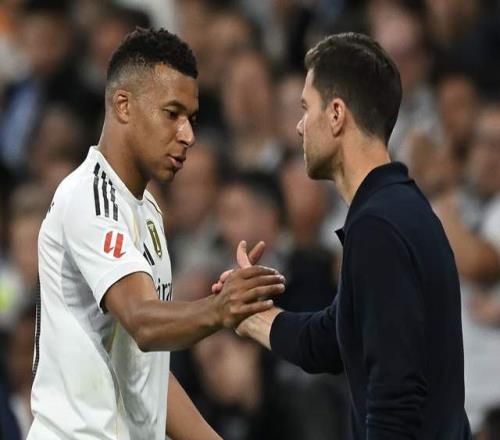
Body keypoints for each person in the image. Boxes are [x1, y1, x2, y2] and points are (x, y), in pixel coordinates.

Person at [27, 28, 285, 440]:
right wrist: (220, 309)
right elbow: (143, 322)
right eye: (172, 113)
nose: (188, 135)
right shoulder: (89, 198)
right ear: (123, 105)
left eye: (192, 119)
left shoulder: (146, 210)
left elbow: (147, 374)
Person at [216, 32, 472, 439]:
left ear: (336, 114)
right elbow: (330, 340)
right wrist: (250, 314)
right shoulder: (399, 209)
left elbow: (395, 400)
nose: (299, 126)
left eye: (306, 108)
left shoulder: (378, 227)